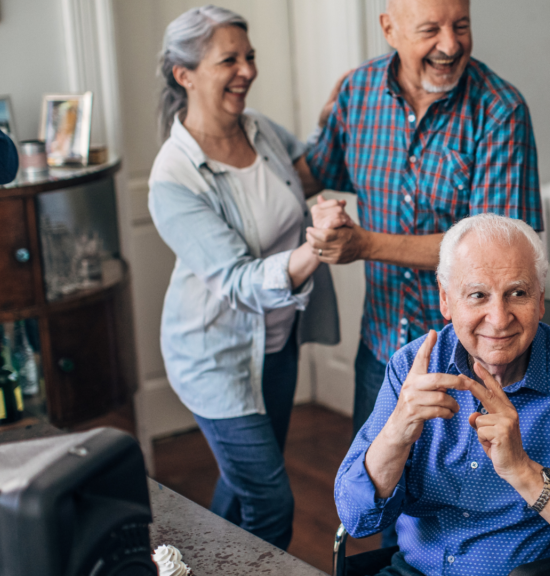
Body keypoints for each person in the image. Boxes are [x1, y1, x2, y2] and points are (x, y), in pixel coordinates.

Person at [334, 214, 550, 576]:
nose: (499, 319)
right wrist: (396, 434)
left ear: (540, 299)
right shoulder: (411, 368)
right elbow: (356, 519)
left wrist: (524, 471)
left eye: (518, 293)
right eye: (478, 295)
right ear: (446, 299)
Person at [299, 0, 542, 439]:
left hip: (472, 362)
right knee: (372, 479)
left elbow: (496, 251)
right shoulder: (358, 92)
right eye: (430, 30)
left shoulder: (500, 109)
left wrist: (364, 245)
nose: (450, 45)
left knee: (469, 484)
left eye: (461, 26)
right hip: (380, 350)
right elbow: (311, 174)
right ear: (389, 29)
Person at [148, 5, 339, 549]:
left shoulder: (261, 130)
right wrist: (316, 249)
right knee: (270, 502)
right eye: (228, 60)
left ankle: (196, 563)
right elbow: (236, 279)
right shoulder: (173, 178)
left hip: (275, 346)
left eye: (249, 57)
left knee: (243, 484)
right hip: (213, 355)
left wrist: (341, 111)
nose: (248, 71)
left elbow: (309, 173)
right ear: (184, 74)